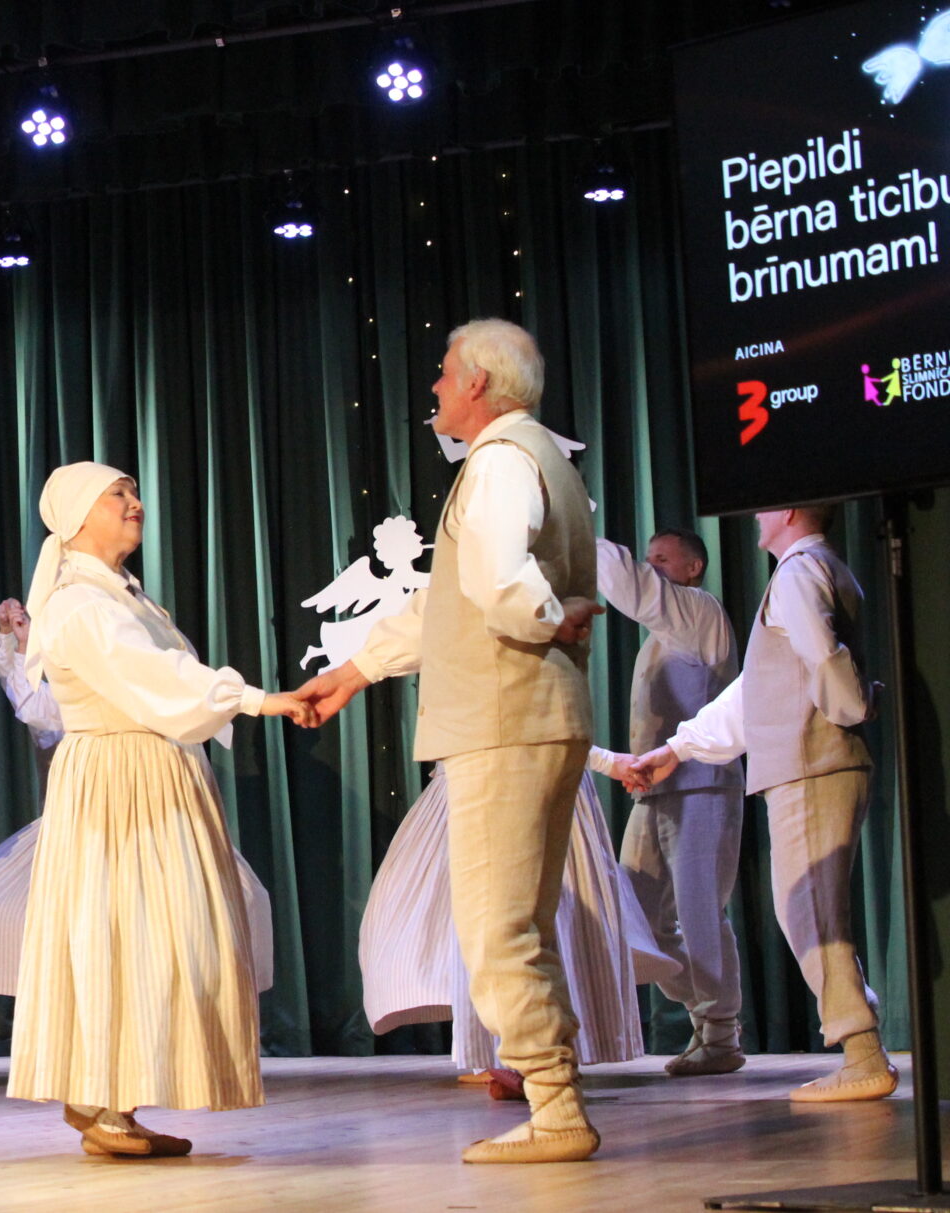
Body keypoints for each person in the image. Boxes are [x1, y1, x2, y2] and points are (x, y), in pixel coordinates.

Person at [298, 319, 603, 1163]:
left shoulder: (500, 460)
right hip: (532, 715)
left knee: (498, 927)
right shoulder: (536, 456)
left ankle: (556, 1107)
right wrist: (355, 670)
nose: (434, 387)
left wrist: (548, 614)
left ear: (476, 383)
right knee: (521, 921)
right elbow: (449, 603)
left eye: (442, 373)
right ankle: (554, 1095)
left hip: (505, 720)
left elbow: (501, 584)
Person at [7, 463, 311, 1159]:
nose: (134, 502)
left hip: (153, 769)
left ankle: (109, 1098)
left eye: (134, 491)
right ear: (77, 514)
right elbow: (156, 677)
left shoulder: (124, 594)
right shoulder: (80, 603)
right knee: (128, 932)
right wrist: (258, 699)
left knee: (164, 935)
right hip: (121, 781)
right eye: (116, 494)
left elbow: (167, 675)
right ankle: (104, 1098)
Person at [633, 504, 890, 1101]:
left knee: (813, 915)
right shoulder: (807, 570)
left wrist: (853, 706)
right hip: (807, 763)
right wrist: (679, 747)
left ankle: (864, 1055)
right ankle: (861, 1042)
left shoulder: (800, 570)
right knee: (807, 912)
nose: (754, 516)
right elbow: (759, 688)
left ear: (791, 512)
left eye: (766, 508)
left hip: (813, 761)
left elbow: (824, 655)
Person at [0, 600, 277, 999]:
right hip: (91, 832)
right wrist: (18, 644)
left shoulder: (157, 699)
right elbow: (32, 703)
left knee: (193, 921)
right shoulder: (84, 702)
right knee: (81, 928)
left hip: (158, 831)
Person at [360, 747, 679, 1092]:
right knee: (480, 917)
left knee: (538, 917)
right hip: (485, 772)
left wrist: (604, 760)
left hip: (529, 775)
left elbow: (541, 722)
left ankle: (533, 1054)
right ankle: (508, 1051)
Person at [594, 529, 746, 1075]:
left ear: (693, 568)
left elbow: (635, 589)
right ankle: (707, 1014)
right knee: (636, 916)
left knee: (699, 910)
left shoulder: (698, 612)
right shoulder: (659, 637)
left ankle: (720, 1032)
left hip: (702, 787)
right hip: (655, 791)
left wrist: (574, 527)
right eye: (647, 558)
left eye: (662, 559)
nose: (651, 567)